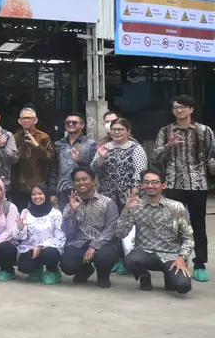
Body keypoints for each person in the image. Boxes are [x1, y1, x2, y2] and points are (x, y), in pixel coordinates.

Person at [152, 94, 215, 282]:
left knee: (197, 224)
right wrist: (168, 145)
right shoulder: (165, 131)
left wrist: (212, 165)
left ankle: (200, 263)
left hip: (197, 184)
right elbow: (155, 157)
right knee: (174, 225)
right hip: (173, 183)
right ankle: (174, 259)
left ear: (191, 109)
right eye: (175, 107)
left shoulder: (204, 131)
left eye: (182, 107)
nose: (178, 110)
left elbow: (211, 154)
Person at [118, 169, 193, 294]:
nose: (150, 186)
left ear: (163, 185)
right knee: (129, 261)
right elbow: (120, 233)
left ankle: (169, 277)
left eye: (154, 182)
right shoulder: (136, 206)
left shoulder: (176, 207)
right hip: (144, 253)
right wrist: (126, 210)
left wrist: (182, 257)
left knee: (183, 286)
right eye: (146, 182)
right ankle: (143, 276)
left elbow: (188, 237)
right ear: (142, 185)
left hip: (171, 255)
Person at [60, 166, 120, 288]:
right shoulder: (71, 203)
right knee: (67, 265)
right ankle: (85, 270)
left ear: (93, 181)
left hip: (103, 243)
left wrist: (94, 245)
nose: (81, 183)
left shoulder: (107, 202)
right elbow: (67, 230)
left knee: (105, 256)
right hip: (79, 243)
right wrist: (72, 211)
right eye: (77, 180)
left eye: (84, 179)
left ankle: (103, 275)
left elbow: (111, 229)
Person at [90, 118, 148, 210]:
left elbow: (140, 171)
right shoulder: (104, 147)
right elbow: (93, 170)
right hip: (106, 194)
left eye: (120, 130)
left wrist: (136, 189)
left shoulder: (135, 148)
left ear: (128, 131)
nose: (116, 132)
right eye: (114, 129)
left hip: (130, 194)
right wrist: (101, 157)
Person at [12, 184, 65, 284]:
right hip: (30, 248)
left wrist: (41, 246)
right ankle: (36, 268)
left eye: (40, 194)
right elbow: (17, 237)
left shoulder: (55, 213)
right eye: (34, 194)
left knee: (50, 254)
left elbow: (60, 237)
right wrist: (20, 227)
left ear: (46, 195)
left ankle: (52, 270)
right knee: (24, 266)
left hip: (49, 248)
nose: (37, 197)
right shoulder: (26, 212)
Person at [51, 112, 96, 210]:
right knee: (66, 219)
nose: (70, 125)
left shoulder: (90, 144)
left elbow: (94, 168)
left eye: (74, 123)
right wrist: (52, 192)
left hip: (84, 188)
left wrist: (79, 161)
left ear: (82, 125)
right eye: (68, 123)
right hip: (63, 188)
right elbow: (54, 170)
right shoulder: (58, 144)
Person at [13, 107, 55, 212]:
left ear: (35, 120)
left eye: (29, 118)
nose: (26, 120)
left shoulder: (43, 137)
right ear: (19, 121)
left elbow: (51, 159)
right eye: (23, 118)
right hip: (20, 184)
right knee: (20, 214)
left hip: (39, 185)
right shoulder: (15, 137)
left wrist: (37, 146)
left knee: (40, 214)